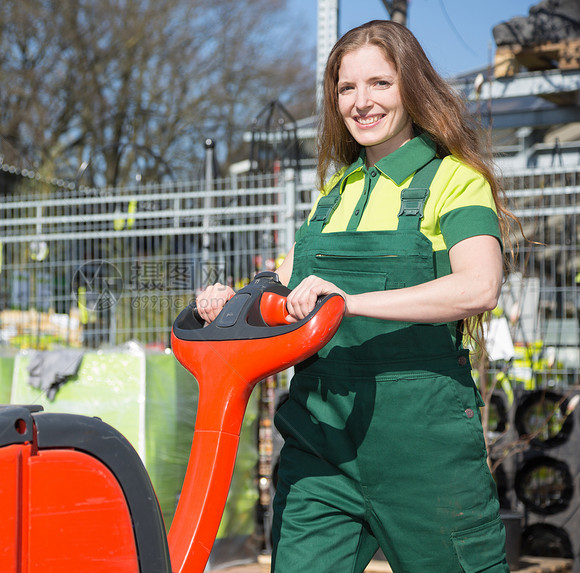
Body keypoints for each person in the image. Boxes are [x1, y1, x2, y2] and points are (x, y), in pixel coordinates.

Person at [196, 20, 513, 573]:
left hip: (421, 447)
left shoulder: (454, 180)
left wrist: (348, 302)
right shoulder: (333, 193)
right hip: (321, 440)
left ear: (412, 88)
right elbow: (289, 291)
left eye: (380, 84)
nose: (361, 103)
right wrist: (238, 304)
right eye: (346, 88)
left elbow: (479, 286)